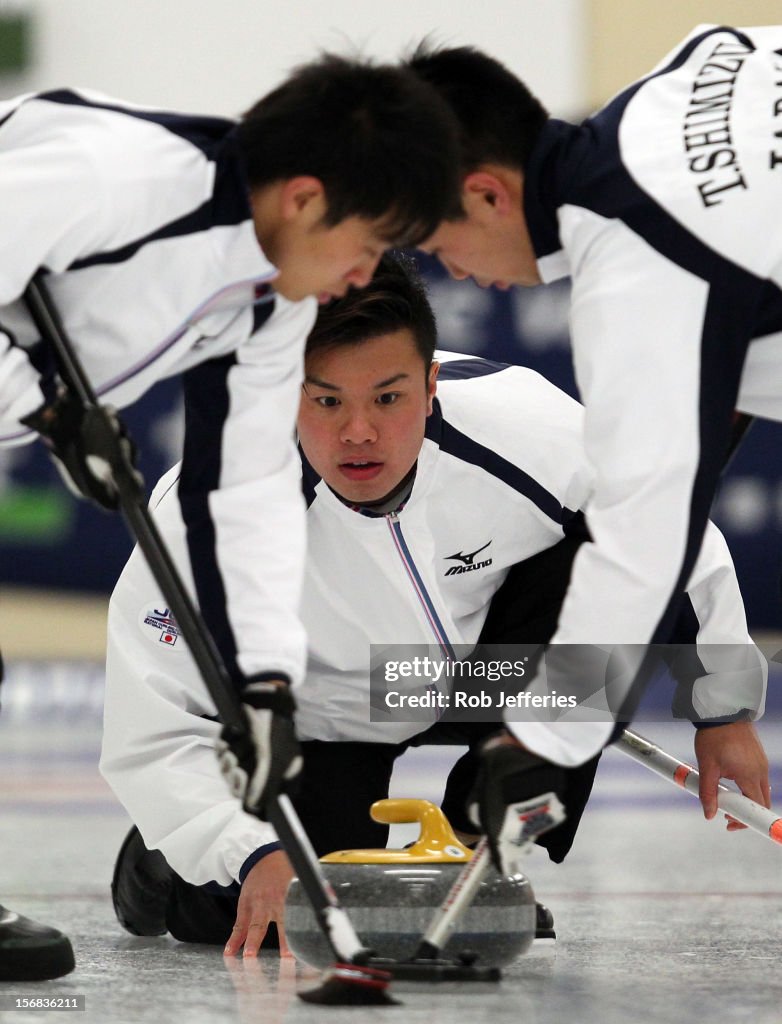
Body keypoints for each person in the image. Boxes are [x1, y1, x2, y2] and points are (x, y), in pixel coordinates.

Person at [101, 254, 768, 958]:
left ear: (430, 384)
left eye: (388, 398)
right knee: (285, 915)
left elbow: (667, 531)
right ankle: (157, 865)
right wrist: (248, 852)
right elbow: (155, 728)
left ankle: (480, 857)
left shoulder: (526, 430)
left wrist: (722, 709)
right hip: (320, 712)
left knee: (606, 588)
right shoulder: (209, 508)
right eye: (326, 401)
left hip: (484, 678)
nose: (358, 432)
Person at [0, 58, 460, 980]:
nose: (365, 275)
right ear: (303, 197)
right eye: (367, 245)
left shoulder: (274, 305)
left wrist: (263, 689)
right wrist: (45, 393)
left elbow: (240, 496)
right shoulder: (110, 174)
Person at [406, 24, 780, 873]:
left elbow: (642, 544)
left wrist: (538, 738)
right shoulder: (693, 64)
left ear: (488, 194)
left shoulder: (636, 285)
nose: (456, 274)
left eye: (439, 244)